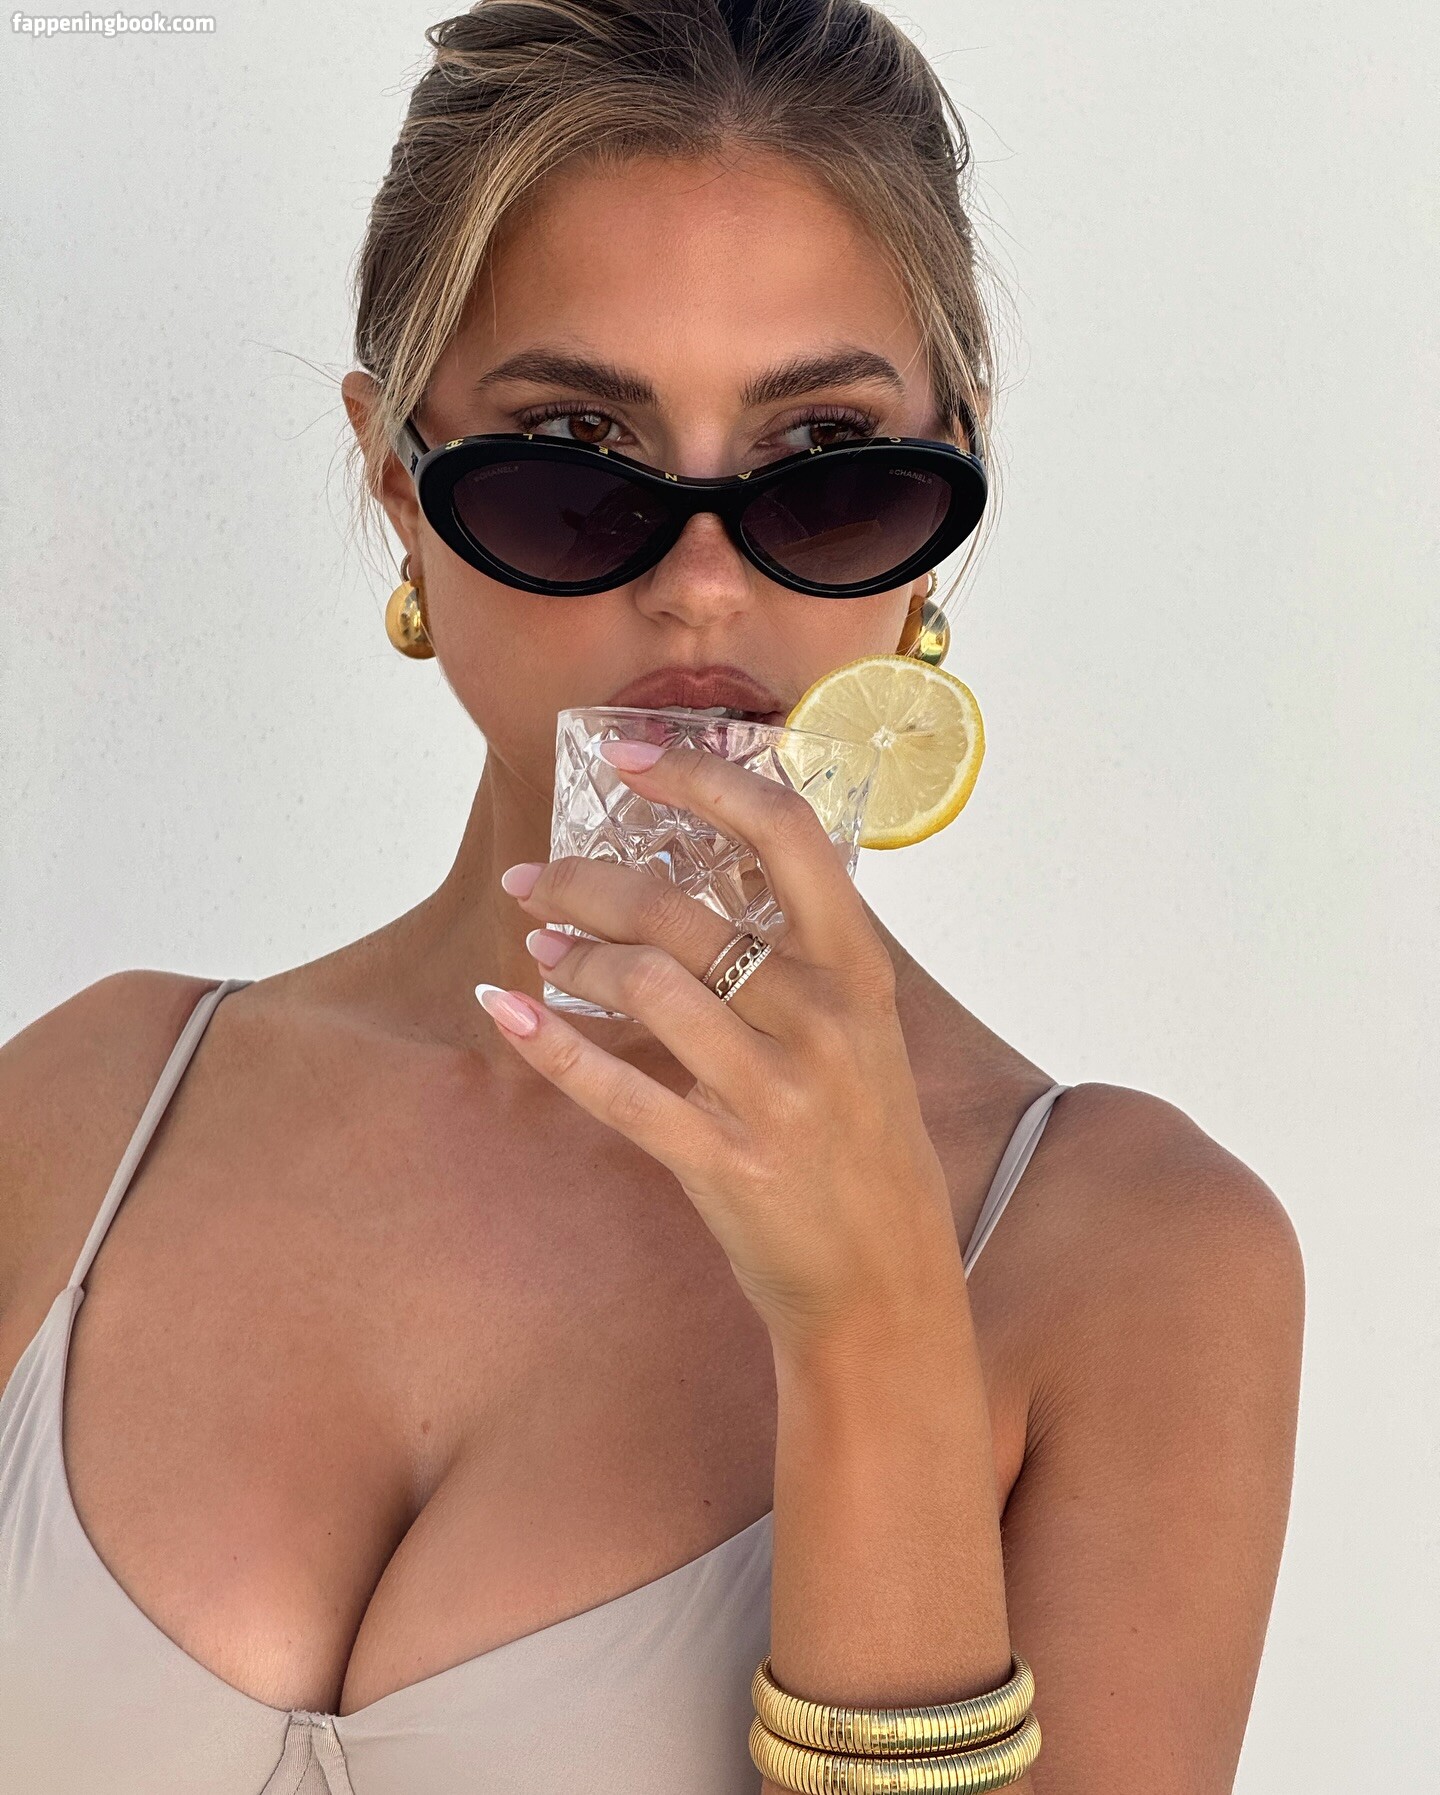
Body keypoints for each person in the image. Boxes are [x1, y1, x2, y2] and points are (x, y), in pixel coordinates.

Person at [0, 3, 1304, 1791]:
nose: (701, 586)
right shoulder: (86, 1113)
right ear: (396, 480)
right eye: (571, 457)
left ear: (952, 491)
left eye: (827, 464)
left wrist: (872, 1329)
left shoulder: (1137, 1258)